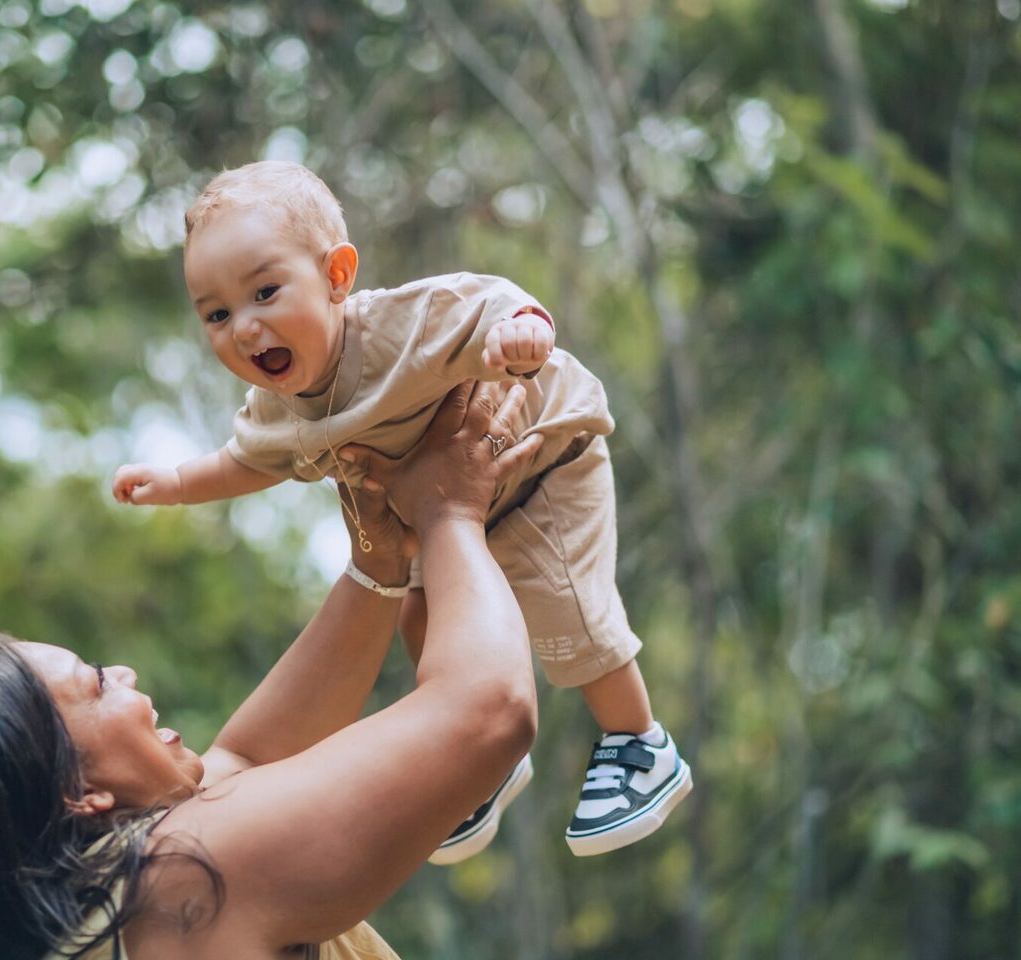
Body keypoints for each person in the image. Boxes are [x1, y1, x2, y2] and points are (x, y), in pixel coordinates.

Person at [110, 161, 691, 859]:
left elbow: (491, 303)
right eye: (217, 313)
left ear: (336, 276)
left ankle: (639, 745)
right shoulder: (278, 406)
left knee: (567, 611)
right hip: (444, 512)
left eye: (266, 291)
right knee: (424, 619)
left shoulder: (398, 325)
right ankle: (482, 765)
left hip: (542, 465)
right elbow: (245, 461)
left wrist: (521, 333)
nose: (245, 326)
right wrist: (173, 481)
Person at [0, 381, 539, 959]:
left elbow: (247, 758)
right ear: (76, 794)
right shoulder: (177, 880)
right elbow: (489, 708)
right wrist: (450, 511)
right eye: (97, 683)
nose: (125, 675)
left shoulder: (104, 917)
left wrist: (379, 555)